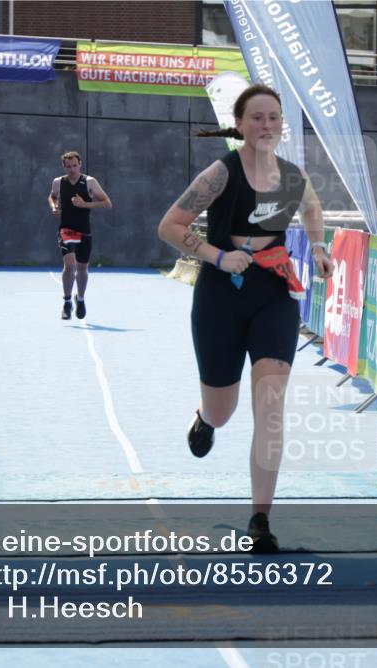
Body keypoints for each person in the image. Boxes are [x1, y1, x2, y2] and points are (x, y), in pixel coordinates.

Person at [157, 83, 333, 553]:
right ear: (239, 125)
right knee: (224, 408)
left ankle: (260, 517)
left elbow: (313, 208)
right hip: (220, 294)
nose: (266, 126)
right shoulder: (220, 173)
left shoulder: (293, 177)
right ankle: (206, 419)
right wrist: (218, 256)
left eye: (273, 118)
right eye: (257, 118)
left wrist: (317, 246)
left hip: (273, 292)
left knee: (271, 407)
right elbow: (170, 226)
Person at [48, 151, 112, 320]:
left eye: (74, 166)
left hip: (84, 230)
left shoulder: (89, 182)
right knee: (69, 265)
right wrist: (54, 206)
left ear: (80, 164)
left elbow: (107, 203)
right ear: (64, 166)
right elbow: (52, 196)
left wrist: (85, 204)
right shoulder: (58, 182)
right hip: (66, 229)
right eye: (68, 167)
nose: (72, 170)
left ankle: (80, 299)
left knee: (82, 269)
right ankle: (67, 302)